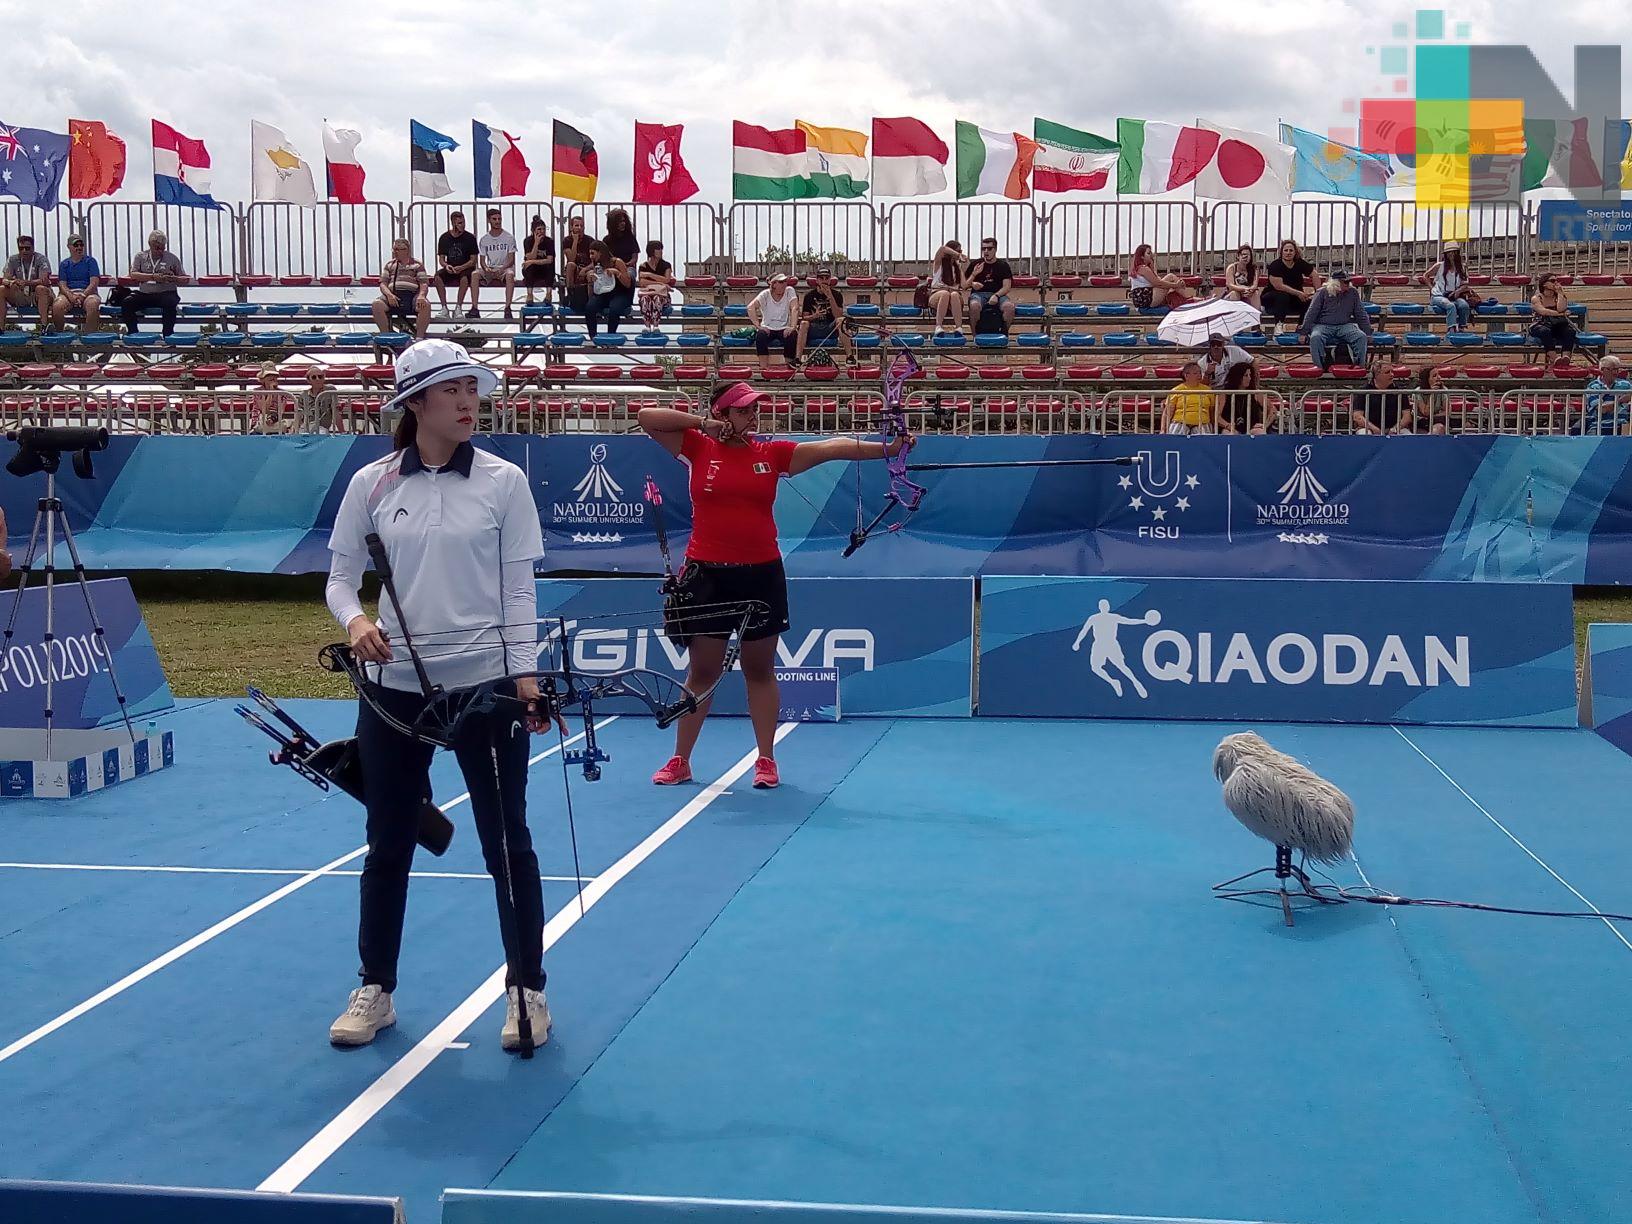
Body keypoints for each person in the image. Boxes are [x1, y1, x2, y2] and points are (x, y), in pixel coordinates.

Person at [324, 337, 551, 1051]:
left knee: (505, 842)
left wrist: (527, 677)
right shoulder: (372, 484)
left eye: (472, 389)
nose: (467, 401)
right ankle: (375, 988)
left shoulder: (504, 481)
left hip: (485, 689)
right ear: (415, 402)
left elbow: (519, 591)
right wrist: (357, 620)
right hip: (393, 697)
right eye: (451, 389)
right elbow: (337, 580)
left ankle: (527, 992)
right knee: (388, 842)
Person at [637, 383, 910, 789]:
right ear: (722, 413)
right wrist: (704, 425)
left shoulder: (771, 453)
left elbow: (832, 447)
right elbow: (646, 417)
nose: (753, 416)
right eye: (744, 410)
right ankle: (681, 759)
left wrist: (890, 448)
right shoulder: (697, 447)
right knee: (702, 670)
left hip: (760, 573)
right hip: (707, 574)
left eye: (755, 410)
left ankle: (766, 759)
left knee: (759, 669)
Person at [120, 230, 189, 337]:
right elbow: (133, 274)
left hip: (166, 292)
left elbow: (185, 279)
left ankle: (168, 335)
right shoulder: (140, 256)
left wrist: (172, 278)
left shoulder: (172, 258)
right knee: (127, 302)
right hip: (145, 293)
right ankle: (133, 333)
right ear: (150, 245)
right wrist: (152, 277)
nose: (160, 251)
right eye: (157, 248)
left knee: (171, 302)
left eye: (163, 248)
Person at [1300, 269, 1371, 370]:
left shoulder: (1353, 293)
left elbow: (1360, 314)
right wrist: (1304, 332)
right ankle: (1319, 368)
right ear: (1336, 283)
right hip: (1323, 325)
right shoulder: (1322, 292)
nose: (1348, 283)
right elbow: (1312, 313)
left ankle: (1359, 366)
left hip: (1344, 325)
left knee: (1361, 337)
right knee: (1315, 337)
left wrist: (1367, 332)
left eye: (1348, 281)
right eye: (1345, 282)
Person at [1200, 333, 1268, 434]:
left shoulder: (1235, 351)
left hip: (1239, 388)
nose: (1216, 347)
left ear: (1223, 344)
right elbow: (1203, 386)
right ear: (1209, 346)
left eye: (1218, 344)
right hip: (1218, 393)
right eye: (1213, 344)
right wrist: (1208, 373)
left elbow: (1253, 361)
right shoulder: (1202, 363)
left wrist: (1254, 385)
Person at [372, 238, 431, 339]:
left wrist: (421, 295)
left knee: (425, 305)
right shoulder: (390, 265)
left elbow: (424, 283)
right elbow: (383, 283)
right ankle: (386, 336)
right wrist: (389, 295)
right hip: (393, 295)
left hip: (412, 296)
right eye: (394, 249)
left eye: (398, 249)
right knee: (377, 304)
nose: (395, 252)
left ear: (406, 250)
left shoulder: (417, 265)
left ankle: (419, 338)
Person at [797, 264, 854, 366]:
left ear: (829, 280)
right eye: (821, 278)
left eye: (826, 278)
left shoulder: (837, 295)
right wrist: (814, 316)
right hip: (814, 327)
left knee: (841, 321)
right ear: (817, 280)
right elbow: (804, 317)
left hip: (830, 327)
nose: (824, 280)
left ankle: (849, 357)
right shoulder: (809, 296)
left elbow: (838, 316)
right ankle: (798, 359)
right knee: (804, 324)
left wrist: (830, 297)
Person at [1421, 241, 1479, 333]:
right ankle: (1451, 329)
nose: (1451, 254)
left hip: (1453, 295)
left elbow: (1465, 284)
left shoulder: (1462, 267)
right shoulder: (1439, 266)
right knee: (1450, 306)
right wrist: (1432, 288)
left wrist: (1458, 292)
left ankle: (1461, 327)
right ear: (1446, 254)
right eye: (1449, 252)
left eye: (1454, 252)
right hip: (1438, 296)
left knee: (1464, 305)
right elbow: (1425, 275)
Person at [472, 208, 517, 321]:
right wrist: (486, 268)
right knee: (475, 274)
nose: (497, 221)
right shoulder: (484, 239)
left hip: (505, 268)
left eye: (499, 219)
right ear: (489, 220)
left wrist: (502, 269)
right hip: (491, 267)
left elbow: (511, 260)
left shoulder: (509, 237)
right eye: (494, 219)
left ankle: (507, 307)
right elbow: (482, 260)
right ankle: (474, 308)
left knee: (510, 274)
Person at [0, 235, 52, 332]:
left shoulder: (41, 259)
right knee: (2, 289)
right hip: (20, 294)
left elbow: (44, 280)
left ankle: (44, 327)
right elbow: (5, 279)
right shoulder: (12, 259)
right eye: (21, 248)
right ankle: (0, 327)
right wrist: (13, 282)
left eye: (27, 248)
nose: (24, 251)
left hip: (37, 295)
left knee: (41, 288)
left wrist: (27, 283)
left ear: (33, 248)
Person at [964, 237, 1016, 333]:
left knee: (1009, 307)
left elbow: (1007, 287)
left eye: (989, 248)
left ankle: (1003, 333)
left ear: (995, 249)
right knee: (974, 306)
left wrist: (996, 295)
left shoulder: (1003, 265)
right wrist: (972, 281)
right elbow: (964, 285)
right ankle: (976, 336)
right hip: (978, 294)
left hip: (998, 294)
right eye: (983, 249)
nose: (986, 251)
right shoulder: (976, 264)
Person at [1263, 239, 1317, 331]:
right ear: (1281, 252)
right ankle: (1278, 326)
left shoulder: (1299, 263)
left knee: (1308, 302)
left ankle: (1301, 328)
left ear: (1295, 252)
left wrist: (1317, 293)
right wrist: (1298, 293)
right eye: (1286, 250)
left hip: (1293, 299)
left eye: (1291, 250)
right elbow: (1278, 286)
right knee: (1283, 296)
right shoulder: (1275, 265)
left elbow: (1314, 274)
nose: (1288, 253)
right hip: (1272, 299)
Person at [51, 235, 102, 331]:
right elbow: (62, 284)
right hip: (68, 294)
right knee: (57, 306)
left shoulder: (90, 261)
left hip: (88, 293)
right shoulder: (64, 264)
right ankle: (59, 335)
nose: (79, 248)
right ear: (69, 247)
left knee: (93, 304)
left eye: (81, 245)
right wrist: (71, 296)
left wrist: (83, 295)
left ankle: (90, 337)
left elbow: (94, 282)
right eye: (75, 245)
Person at [1352, 357, 1415, 435]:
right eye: (1387, 372)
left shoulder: (1399, 391)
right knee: (1364, 434)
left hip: (1395, 428)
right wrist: (1374, 429)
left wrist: (1395, 429)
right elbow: (1358, 417)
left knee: (1408, 435)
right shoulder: (1363, 391)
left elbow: (1407, 417)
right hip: (1369, 428)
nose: (1392, 374)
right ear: (1376, 375)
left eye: (1392, 371)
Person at [1530, 272, 1583, 363]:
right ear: (1544, 284)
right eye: (1552, 281)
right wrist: (1559, 314)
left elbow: (1561, 308)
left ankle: (1566, 357)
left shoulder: (1559, 296)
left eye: (1556, 281)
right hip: (1540, 324)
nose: (1556, 283)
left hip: (1556, 324)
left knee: (1570, 331)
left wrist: (1560, 293)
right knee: (1544, 331)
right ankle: (1554, 358)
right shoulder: (1537, 298)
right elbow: (1543, 311)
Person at [434, 211, 479, 319]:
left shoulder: (470, 238)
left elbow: (473, 260)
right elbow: (441, 259)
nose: (462, 225)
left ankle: (458, 307)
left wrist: (462, 267)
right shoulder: (444, 237)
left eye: (463, 222)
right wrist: (446, 266)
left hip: (466, 267)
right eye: (459, 223)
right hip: (451, 267)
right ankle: (444, 308)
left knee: (465, 278)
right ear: (453, 223)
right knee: (437, 276)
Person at [581, 241, 632, 338]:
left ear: (600, 252)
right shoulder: (596, 265)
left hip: (619, 293)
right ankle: (593, 337)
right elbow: (593, 292)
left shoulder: (617, 262)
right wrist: (591, 282)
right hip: (602, 293)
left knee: (614, 308)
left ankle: (610, 336)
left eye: (593, 253)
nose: (591, 256)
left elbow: (628, 284)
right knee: (589, 307)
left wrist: (617, 273)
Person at [748, 273, 798, 365]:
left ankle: (790, 366)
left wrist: (793, 326)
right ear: (774, 284)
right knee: (760, 335)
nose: (784, 284)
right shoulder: (765, 294)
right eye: (781, 282)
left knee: (792, 335)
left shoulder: (790, 291)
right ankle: (763, 367)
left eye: (785, 281)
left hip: (784, 328)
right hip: (768, 328)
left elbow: (795, 308)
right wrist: (758, 326)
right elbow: (750, 307)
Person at [1128, 243, 1197, 310]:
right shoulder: (1143, 268)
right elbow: (1158, 283)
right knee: (1171, 277)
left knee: (1171, 289)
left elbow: (1158, 280)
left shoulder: (1142, 268)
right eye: (1148, 253)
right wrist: (1176, 285)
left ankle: (1185, 299)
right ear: (1142, 256)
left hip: (1143, 299)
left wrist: (1152, 265)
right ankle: (1187, 299)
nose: (1151, 256)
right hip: (1146, 299)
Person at [1160, 361, 1216, 434]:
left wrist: (1214, 427)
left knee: (1204, 438)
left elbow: (1211, 411)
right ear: (1186, 375)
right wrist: (1163, 429)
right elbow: (1168, 413)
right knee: (1175, 435)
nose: (1199, 375)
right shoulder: (1176, 390)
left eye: (1200, 373)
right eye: (1196, 373)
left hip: (1202, 422)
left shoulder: (1208, 390)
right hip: (1180, 421)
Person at [1581, 356, 1632, 436]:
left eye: (1617, 369)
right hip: (1598, 426)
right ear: (1602, 370)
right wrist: (1621, 401)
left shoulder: (1626, 385)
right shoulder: (1593, 386)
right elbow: (1602, 409)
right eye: (1611, 369)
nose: (1615, 373)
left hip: (1622, 426)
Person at [928, 239, 967, 336]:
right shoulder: (939, 263)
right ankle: (938, 326)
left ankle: (959, 327)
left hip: (954, 296)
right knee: (945, 294)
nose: (960, 253)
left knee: (953, 294)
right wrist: (958, 255)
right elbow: (942, 249)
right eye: (958, 250)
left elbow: (964, 285)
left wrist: (961, 268)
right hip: (938, 293)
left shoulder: (956, 267)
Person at [636, 240, 675, 330]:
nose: (661, 251)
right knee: (645, 299)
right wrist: (660, 283)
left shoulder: (666, 265)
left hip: (662, 294)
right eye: (658, 249)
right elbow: (642, 282)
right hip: (647, 292)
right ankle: (647, 326)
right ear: (651, 251)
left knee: (657, 299)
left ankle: (656, 325)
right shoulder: (643, 266)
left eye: (661, 249)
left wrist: (649, 275)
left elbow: (667, 279)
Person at [561, 215, 592, 318]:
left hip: (587, 268)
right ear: (571, 227)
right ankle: (570, 295)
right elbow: (571, 259)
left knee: (591, 275)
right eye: (576, 225)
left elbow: (595, 261)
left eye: (581, 226)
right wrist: (575, 241)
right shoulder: (567, 241)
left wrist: (585, 269)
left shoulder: (590, 240)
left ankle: (592, 302)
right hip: (574, 268)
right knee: (570, 265)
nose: (579, 228)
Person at [521, 216, 556, 308]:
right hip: (533, 271)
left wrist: (532, 261)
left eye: (544, 229)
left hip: (545, 270)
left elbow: (549, 260)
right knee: (529, 267)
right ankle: (529, 294)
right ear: (533, 231)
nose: (542, 231)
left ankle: (549, 294)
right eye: (539, 229)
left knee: (549, 266)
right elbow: (530, 257)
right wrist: (536, 243)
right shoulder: (528, 241)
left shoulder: (549, 241)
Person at [251, 362, 293, 434]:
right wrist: (271, 392)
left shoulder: (283, 393)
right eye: (269, 376)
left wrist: (272, 419)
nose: (272, 378)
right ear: (262, 379)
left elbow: (280, 411)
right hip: (259, 423)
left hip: (275, 421)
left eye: (274, 376)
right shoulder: (257, 391)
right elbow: (264, 409)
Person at [296, 365, 339, 433]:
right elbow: (298, 417)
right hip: (306, 427)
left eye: (320, 376)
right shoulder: (303, 395)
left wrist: (342, 432)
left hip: (322, 428)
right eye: (314, 377)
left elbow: (336, 413)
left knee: (321, 432)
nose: (317, 379)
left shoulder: (330, 390)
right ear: (308, 380)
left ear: (324, 377)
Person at [1222, 245, 1262, 311]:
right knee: (1235, 294)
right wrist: (1244, 289)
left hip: (1248, 293)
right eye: (1243, 254)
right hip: (1232, 294)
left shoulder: (1254, 269)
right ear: (1238, 256)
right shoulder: (1232, 268)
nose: (1246, 257)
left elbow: (1255, 285)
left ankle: (1256, 316)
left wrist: (1249, 290)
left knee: (1255, 293)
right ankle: (1234, 316)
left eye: (1248, 255)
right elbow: (1230, 285)